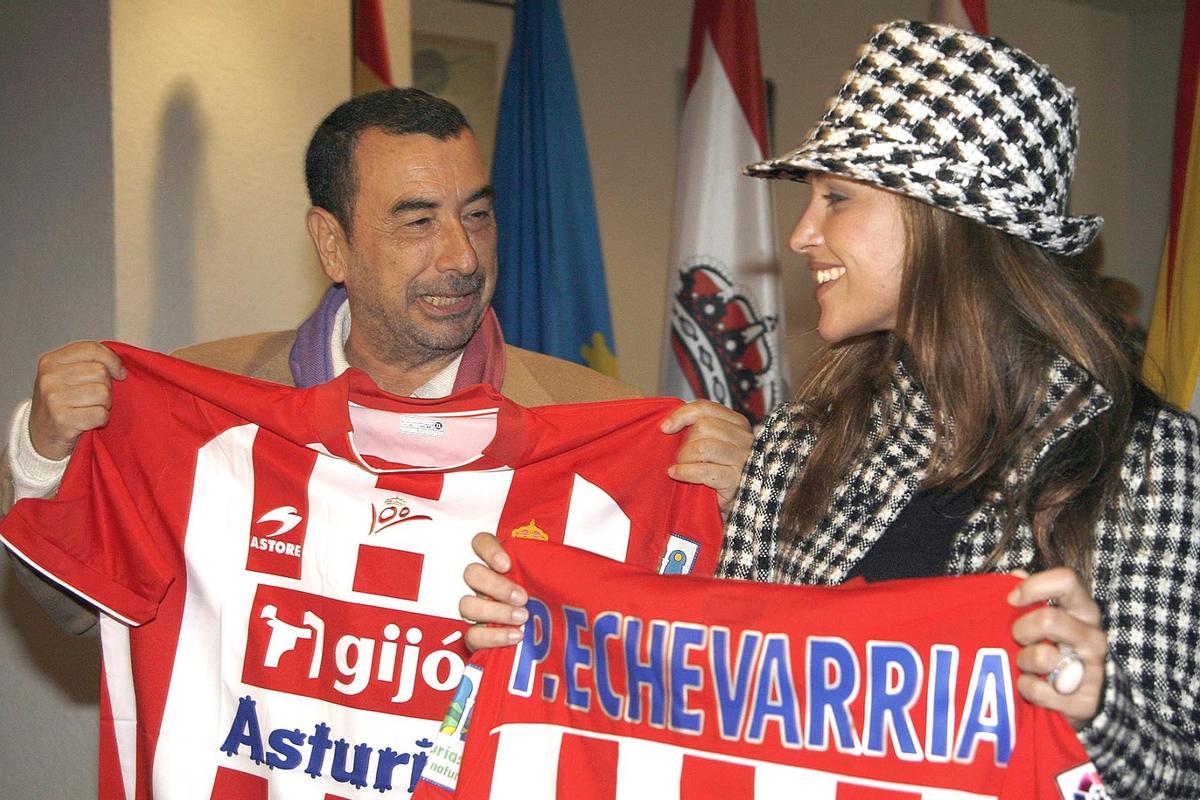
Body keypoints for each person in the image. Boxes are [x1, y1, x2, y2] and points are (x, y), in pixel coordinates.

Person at [461, 20, 1200, 799]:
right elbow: (719, 706)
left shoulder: (1151, 466)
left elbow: (1180, 773)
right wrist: (559, 638)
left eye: (837, 197)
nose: (802, 233)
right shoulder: (796, 446)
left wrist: (1097, 707)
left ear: (942, 219)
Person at [2, 88, 752, 635]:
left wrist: (738, 517)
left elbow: (664, 657)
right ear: (332, 245)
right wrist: (43, 459)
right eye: (417, 222)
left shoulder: (591, 420)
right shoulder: (211, 401)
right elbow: (80, 609)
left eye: (478, 216)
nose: (461, 257)